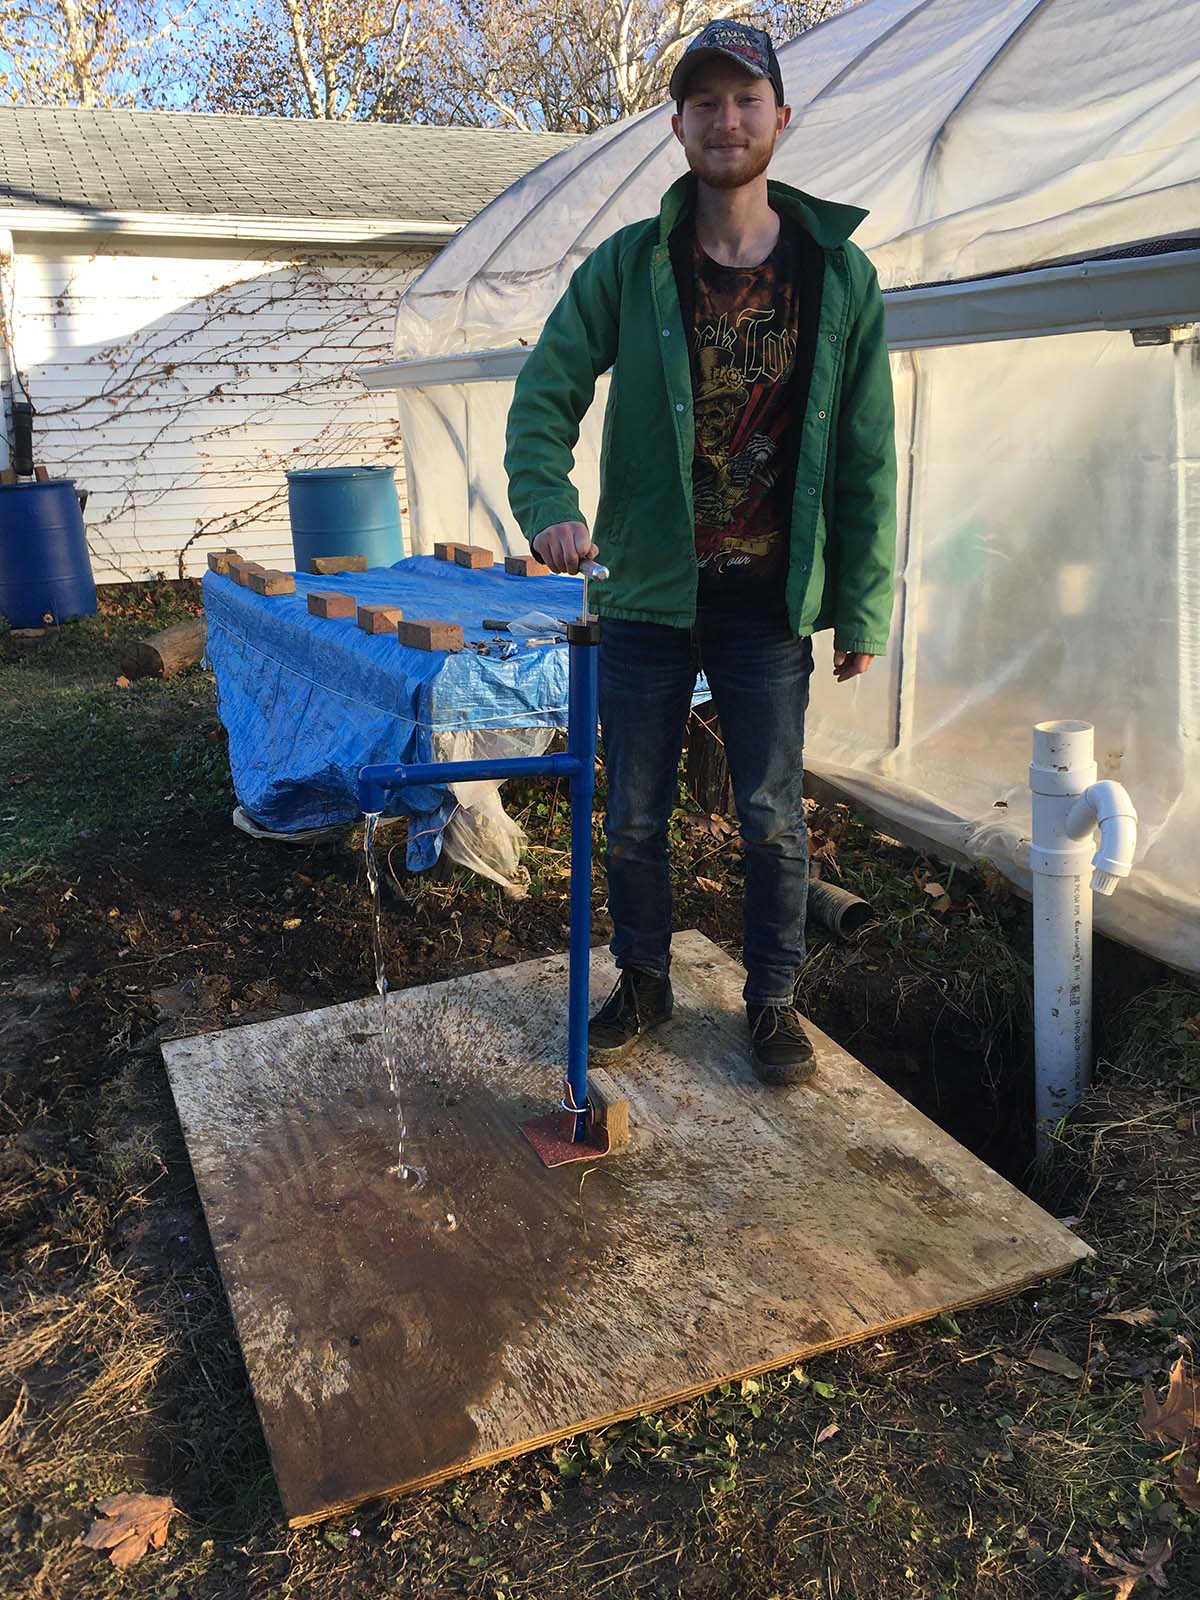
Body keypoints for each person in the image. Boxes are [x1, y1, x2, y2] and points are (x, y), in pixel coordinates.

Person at [504, 20, 896, 1086]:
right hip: (646, 592)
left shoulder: (837, 276)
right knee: (632, 813)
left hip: (768, 604)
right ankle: (645, 981)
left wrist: (860, 604)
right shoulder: (634, 267)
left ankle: (772, 1001)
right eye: (705, 103)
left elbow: (866, 453)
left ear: (780, 116)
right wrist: (548, 500)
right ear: (677, 124)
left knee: (771, 818)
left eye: (745, 99)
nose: (727, 120)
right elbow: (546, 393)